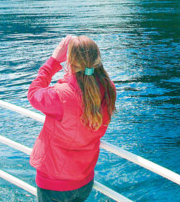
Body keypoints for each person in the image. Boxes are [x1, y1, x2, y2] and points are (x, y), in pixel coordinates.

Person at [28, 35, 118, 202]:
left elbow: (33, 94)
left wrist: (54, 60)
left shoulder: (61, 95)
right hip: (83, 182)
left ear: (70, 61)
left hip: (54, 183)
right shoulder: (108, 88)